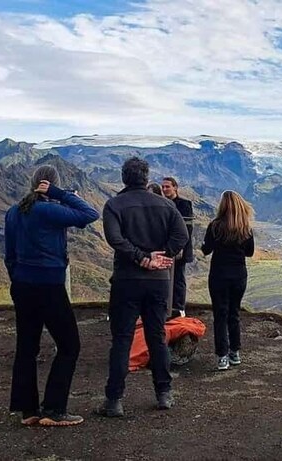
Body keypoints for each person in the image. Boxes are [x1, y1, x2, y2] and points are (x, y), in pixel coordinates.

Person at [4, 165, 99, 427]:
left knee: (27, 347)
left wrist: (18, 277)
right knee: (69, 345)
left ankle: (28, 410)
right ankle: (54, 409)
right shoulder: (48, 210)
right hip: (49, 284)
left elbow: (9, 254)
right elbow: (90, 214)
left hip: (22, 285)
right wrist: (62, 194)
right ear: (51, 184)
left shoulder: (14, 211)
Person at [98, 157, 189, 417]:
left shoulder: (114, 205)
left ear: (124, 178)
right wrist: (163, 255)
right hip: (158, 282)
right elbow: (182, 236)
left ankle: (114, 400)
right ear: (146, 178)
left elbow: (115, 239)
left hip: (126, 280)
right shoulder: (166, 205)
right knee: (156, 337)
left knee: (122, 339)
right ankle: (164, 393)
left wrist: (140, 257)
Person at [201, 190, 255, 371]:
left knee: (220, 315)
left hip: (219, 276)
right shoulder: (246, 228)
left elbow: (206, 250)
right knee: (234, 313)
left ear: (222, 206)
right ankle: (235, 352)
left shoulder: (215, 226)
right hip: (239, 276)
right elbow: (249, 252)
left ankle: (222, 356)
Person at [162, 176, 195, 319]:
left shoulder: (184, 204)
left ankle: (179, 307)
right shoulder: (162, 203)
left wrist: (180, 247)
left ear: (175, 187)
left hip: (180, 250)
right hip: (166, 248)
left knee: (178, 278)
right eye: (163, 187)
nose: (165, 189)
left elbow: (187, 228)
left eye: (167, 186)